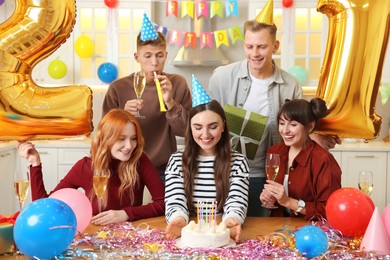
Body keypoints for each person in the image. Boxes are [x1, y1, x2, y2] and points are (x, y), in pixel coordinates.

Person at [208, 20, 341, 216]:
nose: (255, 54)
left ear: (275, 46)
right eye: (249, 46)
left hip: (269, 174)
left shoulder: (291, 85)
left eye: (262, 46)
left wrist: (314, 138)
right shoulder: (222, 77)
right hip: (229, 171)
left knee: (264, 230)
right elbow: (207, 122)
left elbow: (296, 128)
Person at [17, 109, 165, 225]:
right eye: (121, 139)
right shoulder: (85, 167)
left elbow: (163, 203)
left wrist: (125, 214)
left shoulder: (140, 161)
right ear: (106, 139)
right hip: (95, 235)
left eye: (133, 139)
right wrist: (35, 163)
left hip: (130, 235)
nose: (129, 146)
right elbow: (44, 207)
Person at [102, 31, 192, 177]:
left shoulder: (177, 84)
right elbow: (105, 135)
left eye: (159, 55)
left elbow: (185, 131)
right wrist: (122, 116)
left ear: (166, 56)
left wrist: (170, 102)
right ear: (137, 57)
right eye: (148, 56)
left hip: (163, 170)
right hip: (126, 168)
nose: (154, 62)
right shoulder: (118, 88)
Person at [164, 100, 250, 243]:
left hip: (221, 232)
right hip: (188, 233)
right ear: (190, 128)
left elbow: (236, 201)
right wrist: (178, 220)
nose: (205, 134)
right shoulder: (176, 160)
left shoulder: (238, 162)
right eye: (198, 127)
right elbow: (175, 201)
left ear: (223, 126)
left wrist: (231, 221)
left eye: (213, 127)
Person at [259, 98, 342, 219]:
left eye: (293, 124)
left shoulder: (323, 160)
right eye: (282, 123)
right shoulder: (275, 152)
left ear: (310, 127)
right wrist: (269, 199)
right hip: (278, 228)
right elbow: (277, 199)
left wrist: (288, 202)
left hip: (310, 229)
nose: (285, 130)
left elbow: (328, 209)